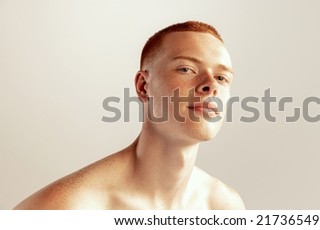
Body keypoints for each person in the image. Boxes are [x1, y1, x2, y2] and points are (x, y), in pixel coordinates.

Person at [14, 21, 245, 210]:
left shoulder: (224, 207)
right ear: (143, 86)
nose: (210, 86)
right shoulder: (66, 209)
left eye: (222, 78)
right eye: (186, 69)